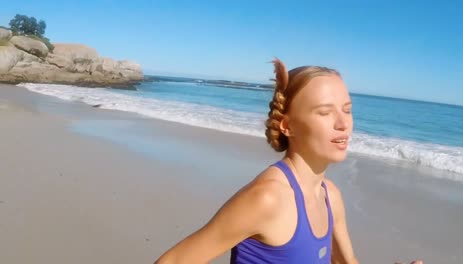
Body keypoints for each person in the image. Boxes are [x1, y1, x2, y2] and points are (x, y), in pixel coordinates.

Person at [155, 59, 423, 264]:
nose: (343, 124)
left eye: (347, 110)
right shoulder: (267, 199)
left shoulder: (331, 196)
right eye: (324, 112)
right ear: (288, 126)